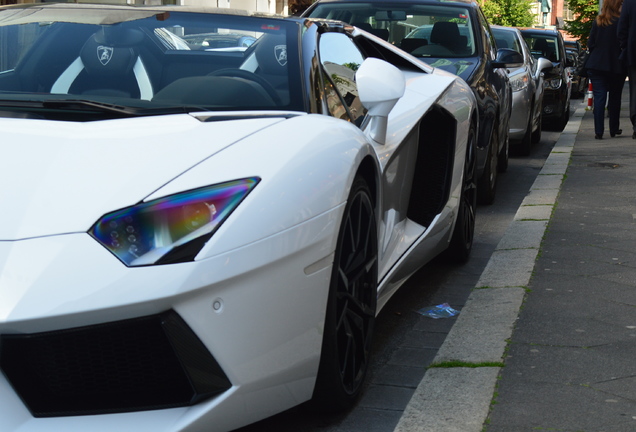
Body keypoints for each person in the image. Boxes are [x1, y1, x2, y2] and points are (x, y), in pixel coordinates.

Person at [586, 0, 626, 139]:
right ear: (617, 6)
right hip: (616, 66)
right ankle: (614, 128)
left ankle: (598, 131)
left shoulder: (598, 21)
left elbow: (591, 43)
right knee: (615, 97)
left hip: (596, 65)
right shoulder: (621, 22)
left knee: (599, 98)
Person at [618, 0, 636, 138]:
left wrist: (625, 46)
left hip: (634, 54)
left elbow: (622, 29)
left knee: (634, 91)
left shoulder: (629, 3)